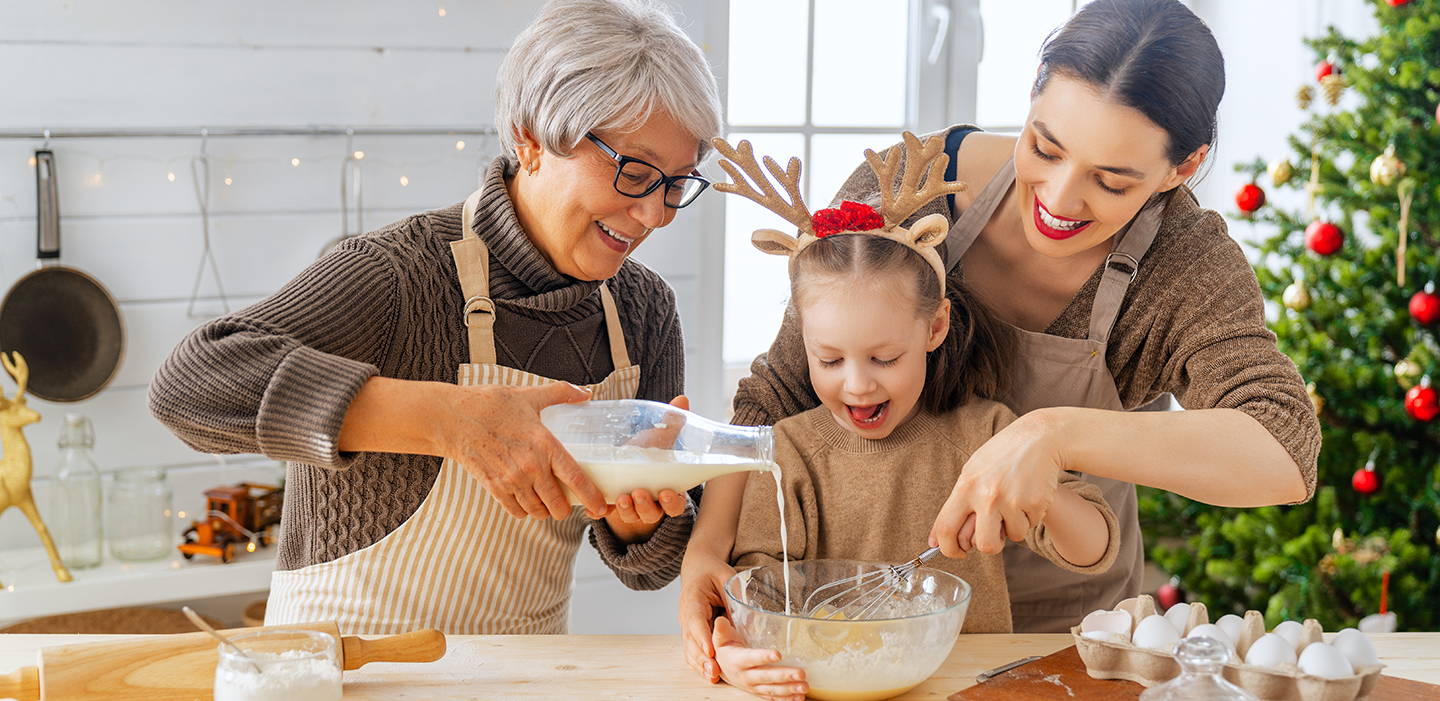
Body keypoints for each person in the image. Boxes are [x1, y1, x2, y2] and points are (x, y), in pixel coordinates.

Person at [682, 0, 1320, 678]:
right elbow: (775, 393)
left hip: (1073, 646)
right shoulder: (914, 188)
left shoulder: (1183, 265)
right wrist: (708, 553)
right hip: (875, 639)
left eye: (1111, 180)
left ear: (1180, 168)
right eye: (1044, 146)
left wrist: (1052, 436)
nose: (1059, 197)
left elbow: (1285, 447)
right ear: (1034, 89)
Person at [148, 0, 723, 635]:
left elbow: (646, 567)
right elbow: (188, 387)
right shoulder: (397, 275)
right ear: (531, 137)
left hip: (525, 673)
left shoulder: (642, 312)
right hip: (346, 667)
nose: (656, 215)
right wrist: (451, 422)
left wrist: (635, 518)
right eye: (636, 171)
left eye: (676, 183)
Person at [699, 143, 1121, 697]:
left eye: (884, 359)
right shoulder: (789, 455)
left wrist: (1039, 493)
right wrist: (735, 650)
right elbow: (753, 592)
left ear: (935, 328)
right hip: (826, 686)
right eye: (829, 360)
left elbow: (1093, 548)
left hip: (967, 684)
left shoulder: (986, 436)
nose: (856, 383)